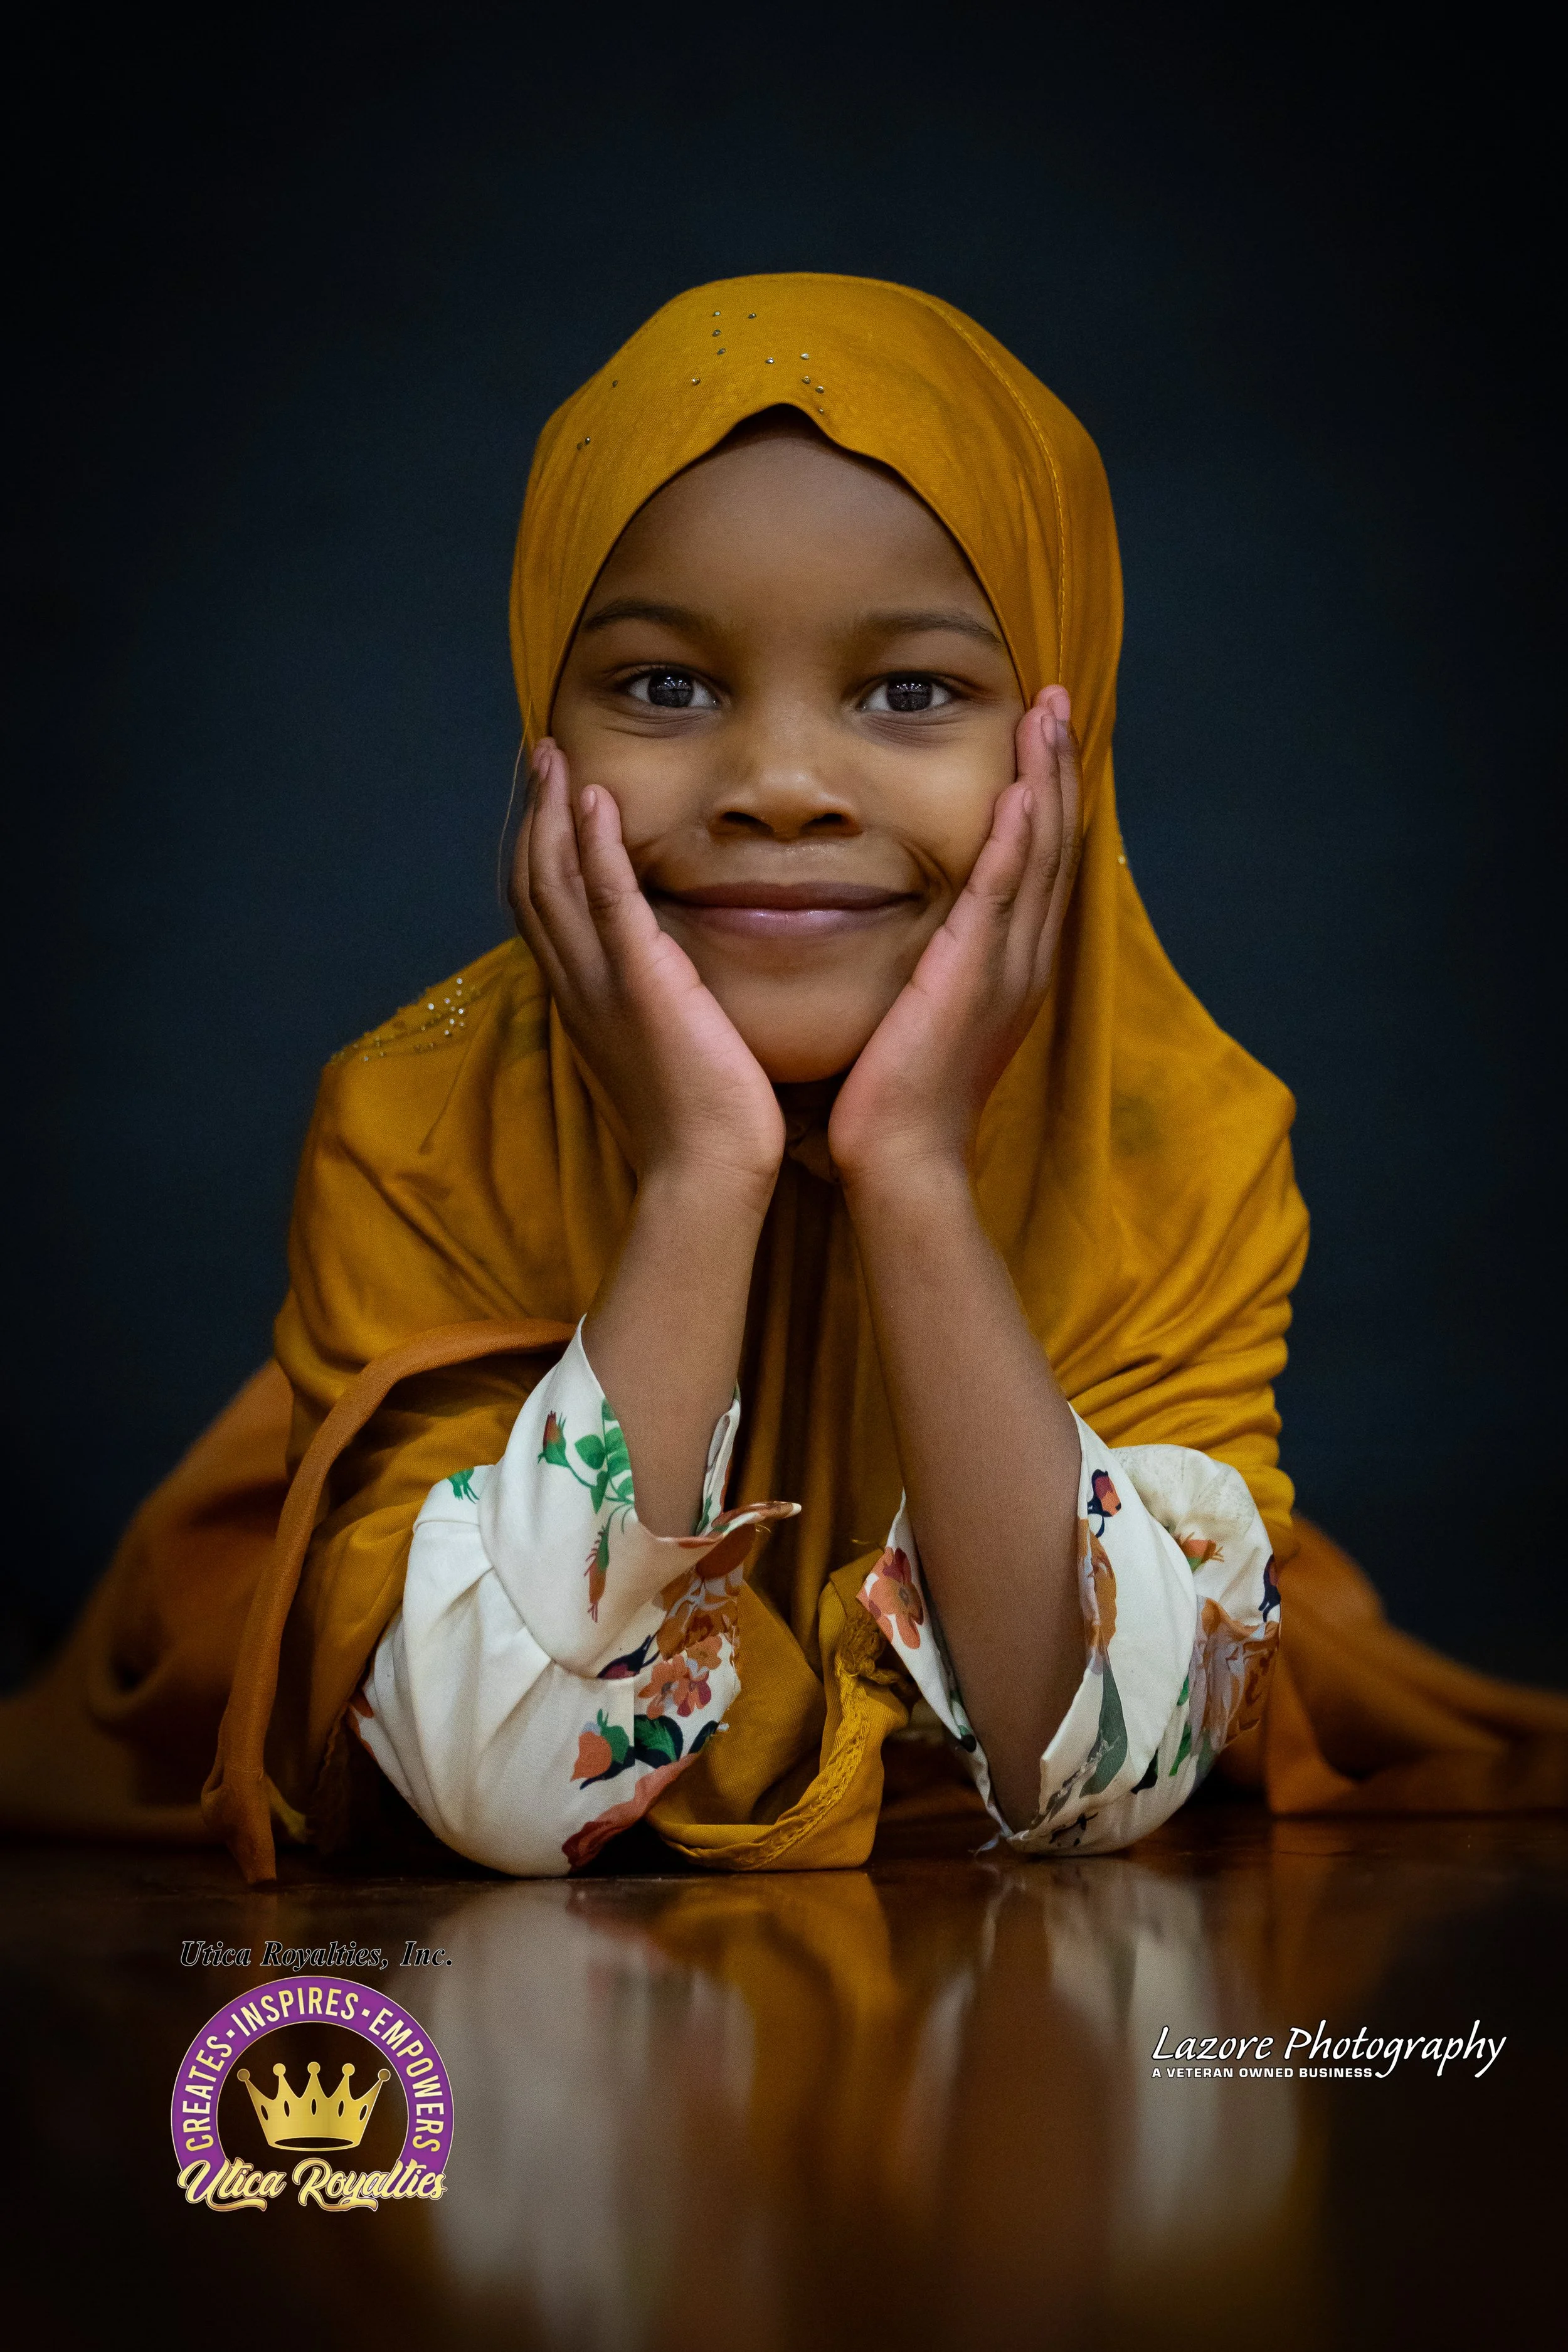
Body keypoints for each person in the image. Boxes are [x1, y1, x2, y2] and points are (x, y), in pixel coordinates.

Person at [4, 275, 1564, 1880]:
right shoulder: (415, 1129)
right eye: (664, 687)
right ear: (542, 727)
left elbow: (1094, 1777)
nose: (780, 786)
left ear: (1063, 744)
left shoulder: (1179, 1143)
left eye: (910, 693)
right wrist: (701, 1175)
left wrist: (913, 1173)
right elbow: (500, 1787)